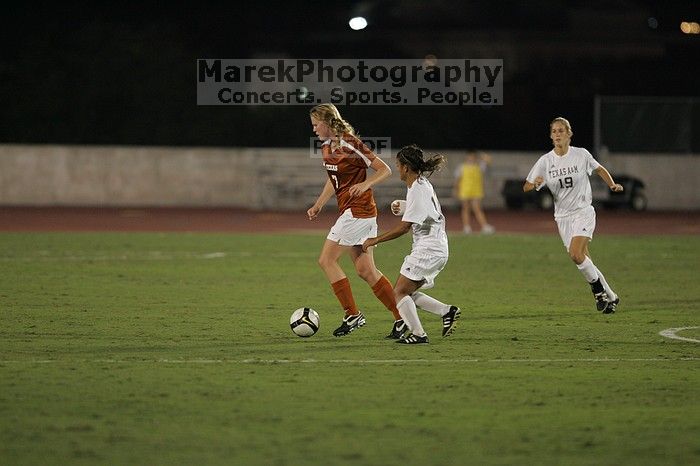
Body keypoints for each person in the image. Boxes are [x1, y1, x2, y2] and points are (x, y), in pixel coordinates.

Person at [307, 103, 403, 337]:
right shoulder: (327, 146)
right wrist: (319, 203)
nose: (314, 129)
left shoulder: (351, 143)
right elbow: (334, 178)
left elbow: (384, 169)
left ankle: (352, 314)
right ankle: (403, 319)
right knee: (366, 270)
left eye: (316, 124)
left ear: (328, 122)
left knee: (326, 260)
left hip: (357, 212)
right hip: (355, 212)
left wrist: (366, 183)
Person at [362, 144, 461, 344]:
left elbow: (403, 228)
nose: (397, 169)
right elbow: (429, 211)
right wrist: (405, 206)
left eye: (398, 165)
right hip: (436, 247)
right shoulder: (421, 184)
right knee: (406, 292)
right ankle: (446, 311)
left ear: (406, 167)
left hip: (429, 249)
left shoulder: (417, 189)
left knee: (398, 292)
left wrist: (375, 239)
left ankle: (418, 334)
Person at [523, 117, 623, 313]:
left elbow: (599, 169)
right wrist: (534, 184)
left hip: (583, 212)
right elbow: (526, 186)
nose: (558, 134)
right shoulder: (546, 161)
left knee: (576, 254)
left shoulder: (581, 155)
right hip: (562, 218)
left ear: (569, 134)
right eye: (554, 131)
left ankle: (597, 292)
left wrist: (611, 184)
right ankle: (611, 296)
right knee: (585, 259)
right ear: (551, 136)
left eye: (562, 131)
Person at [453, 150, 495, 234]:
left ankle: (484, 226)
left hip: (476, 190)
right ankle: (466, 227)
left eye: (472, 157)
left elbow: (489, 160)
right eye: (469, 157)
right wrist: (455, 190)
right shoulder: (461, 167)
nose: (471, 158)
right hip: (465, 190)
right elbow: (457, 180)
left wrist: (482, 156)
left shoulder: (479, 166)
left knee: (477, 208)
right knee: (465, 209)